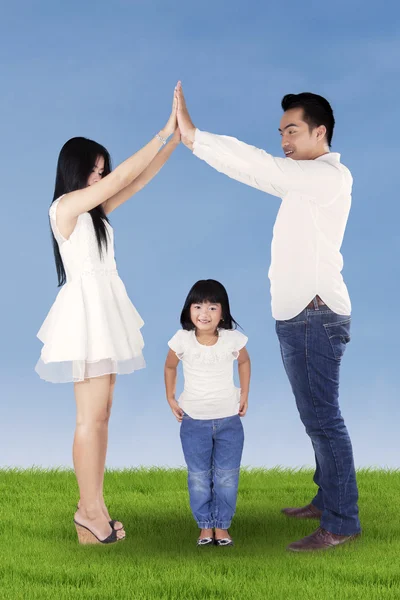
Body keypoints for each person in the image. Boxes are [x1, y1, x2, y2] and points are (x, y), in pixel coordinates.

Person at [175, 81, 361, 552]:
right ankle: (328, 497)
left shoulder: (326, 177)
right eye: (280, 132)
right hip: (302, 316)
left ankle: (341, 521)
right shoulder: (302, 182)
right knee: (315, 416)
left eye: (292, 131)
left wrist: (196, 136)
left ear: (321, 133)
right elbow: (260, 175)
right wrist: (199, 146)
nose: (284, 141)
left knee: (323, 419)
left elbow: (261, 167)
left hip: (314, 316)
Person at [35, 88, 180, 545]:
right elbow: (122, 181)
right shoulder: (64, 208)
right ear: (74, 171)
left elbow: (133, 182)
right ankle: (88, 514)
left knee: (102, 415)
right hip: (87, 317)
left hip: (103, 312)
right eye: (94, 171)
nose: (101, 177)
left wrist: (175, 141)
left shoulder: (93, 213)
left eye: (102, 171)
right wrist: (161, 132)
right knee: (90, 417)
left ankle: (93, 507)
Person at [165, 279, 250, 547]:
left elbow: (244, 362)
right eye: (198, 306)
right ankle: (205, 526)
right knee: (199, 476)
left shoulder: (232, 339)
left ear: (222, 312)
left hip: (229, 421)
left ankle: (222, 526)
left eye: (213, 307)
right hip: (193, 422)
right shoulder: (182, 340)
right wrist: (170, 397)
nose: (205, 313)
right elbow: (170, 367)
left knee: (226, 475)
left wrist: (245, 392)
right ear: (188, 310)